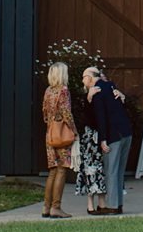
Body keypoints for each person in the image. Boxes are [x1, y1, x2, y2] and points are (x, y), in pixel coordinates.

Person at [90, 67, 134, 215]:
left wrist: (103, 139)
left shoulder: (97, 92)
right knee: (120, 170)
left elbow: (101, 118)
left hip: (113, 135)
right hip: (126, 132)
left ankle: (113, 205)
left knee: (111, 170)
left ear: (91, 78)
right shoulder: (112, 87)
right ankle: (119, 203)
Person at [41, 61, 78, 217]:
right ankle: (56, 207)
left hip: (50, 134)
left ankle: (46, 207)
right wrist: (74, 131)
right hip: (62, 134)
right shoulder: (64, 91)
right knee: (62, 170)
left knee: (52, 171)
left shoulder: (48, 91)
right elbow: (66, 113)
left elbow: (44, 112)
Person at [75, 65, 109, 214]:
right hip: (90, 138)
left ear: (90, 77)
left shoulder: (101, 90)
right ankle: (90, 203)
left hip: (100, 135)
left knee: (101, 169)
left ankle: (102, 202)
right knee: (90, 168)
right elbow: (84, 118)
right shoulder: (84, 96)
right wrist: (88, 99)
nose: (83, 80)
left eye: (84, 76)